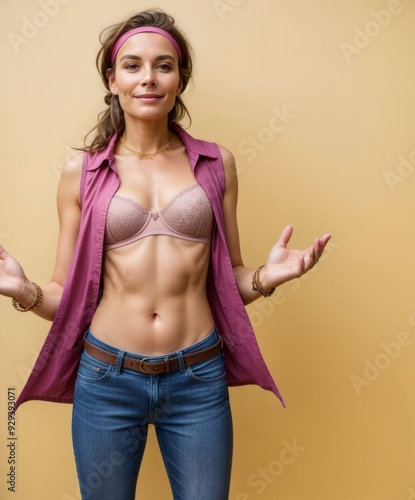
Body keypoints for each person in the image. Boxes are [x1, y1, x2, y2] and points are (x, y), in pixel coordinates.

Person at [0, 8, 331, 500]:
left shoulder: (218, 164)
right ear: (112, 80)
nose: (147, 79)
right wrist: (22, 291)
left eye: (164, 65)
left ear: (180, 79)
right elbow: (63, 297)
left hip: (197, 377)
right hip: (106, 378)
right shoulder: (82, 172)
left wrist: (267, 277)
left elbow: (230, 281)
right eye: (132, 66)